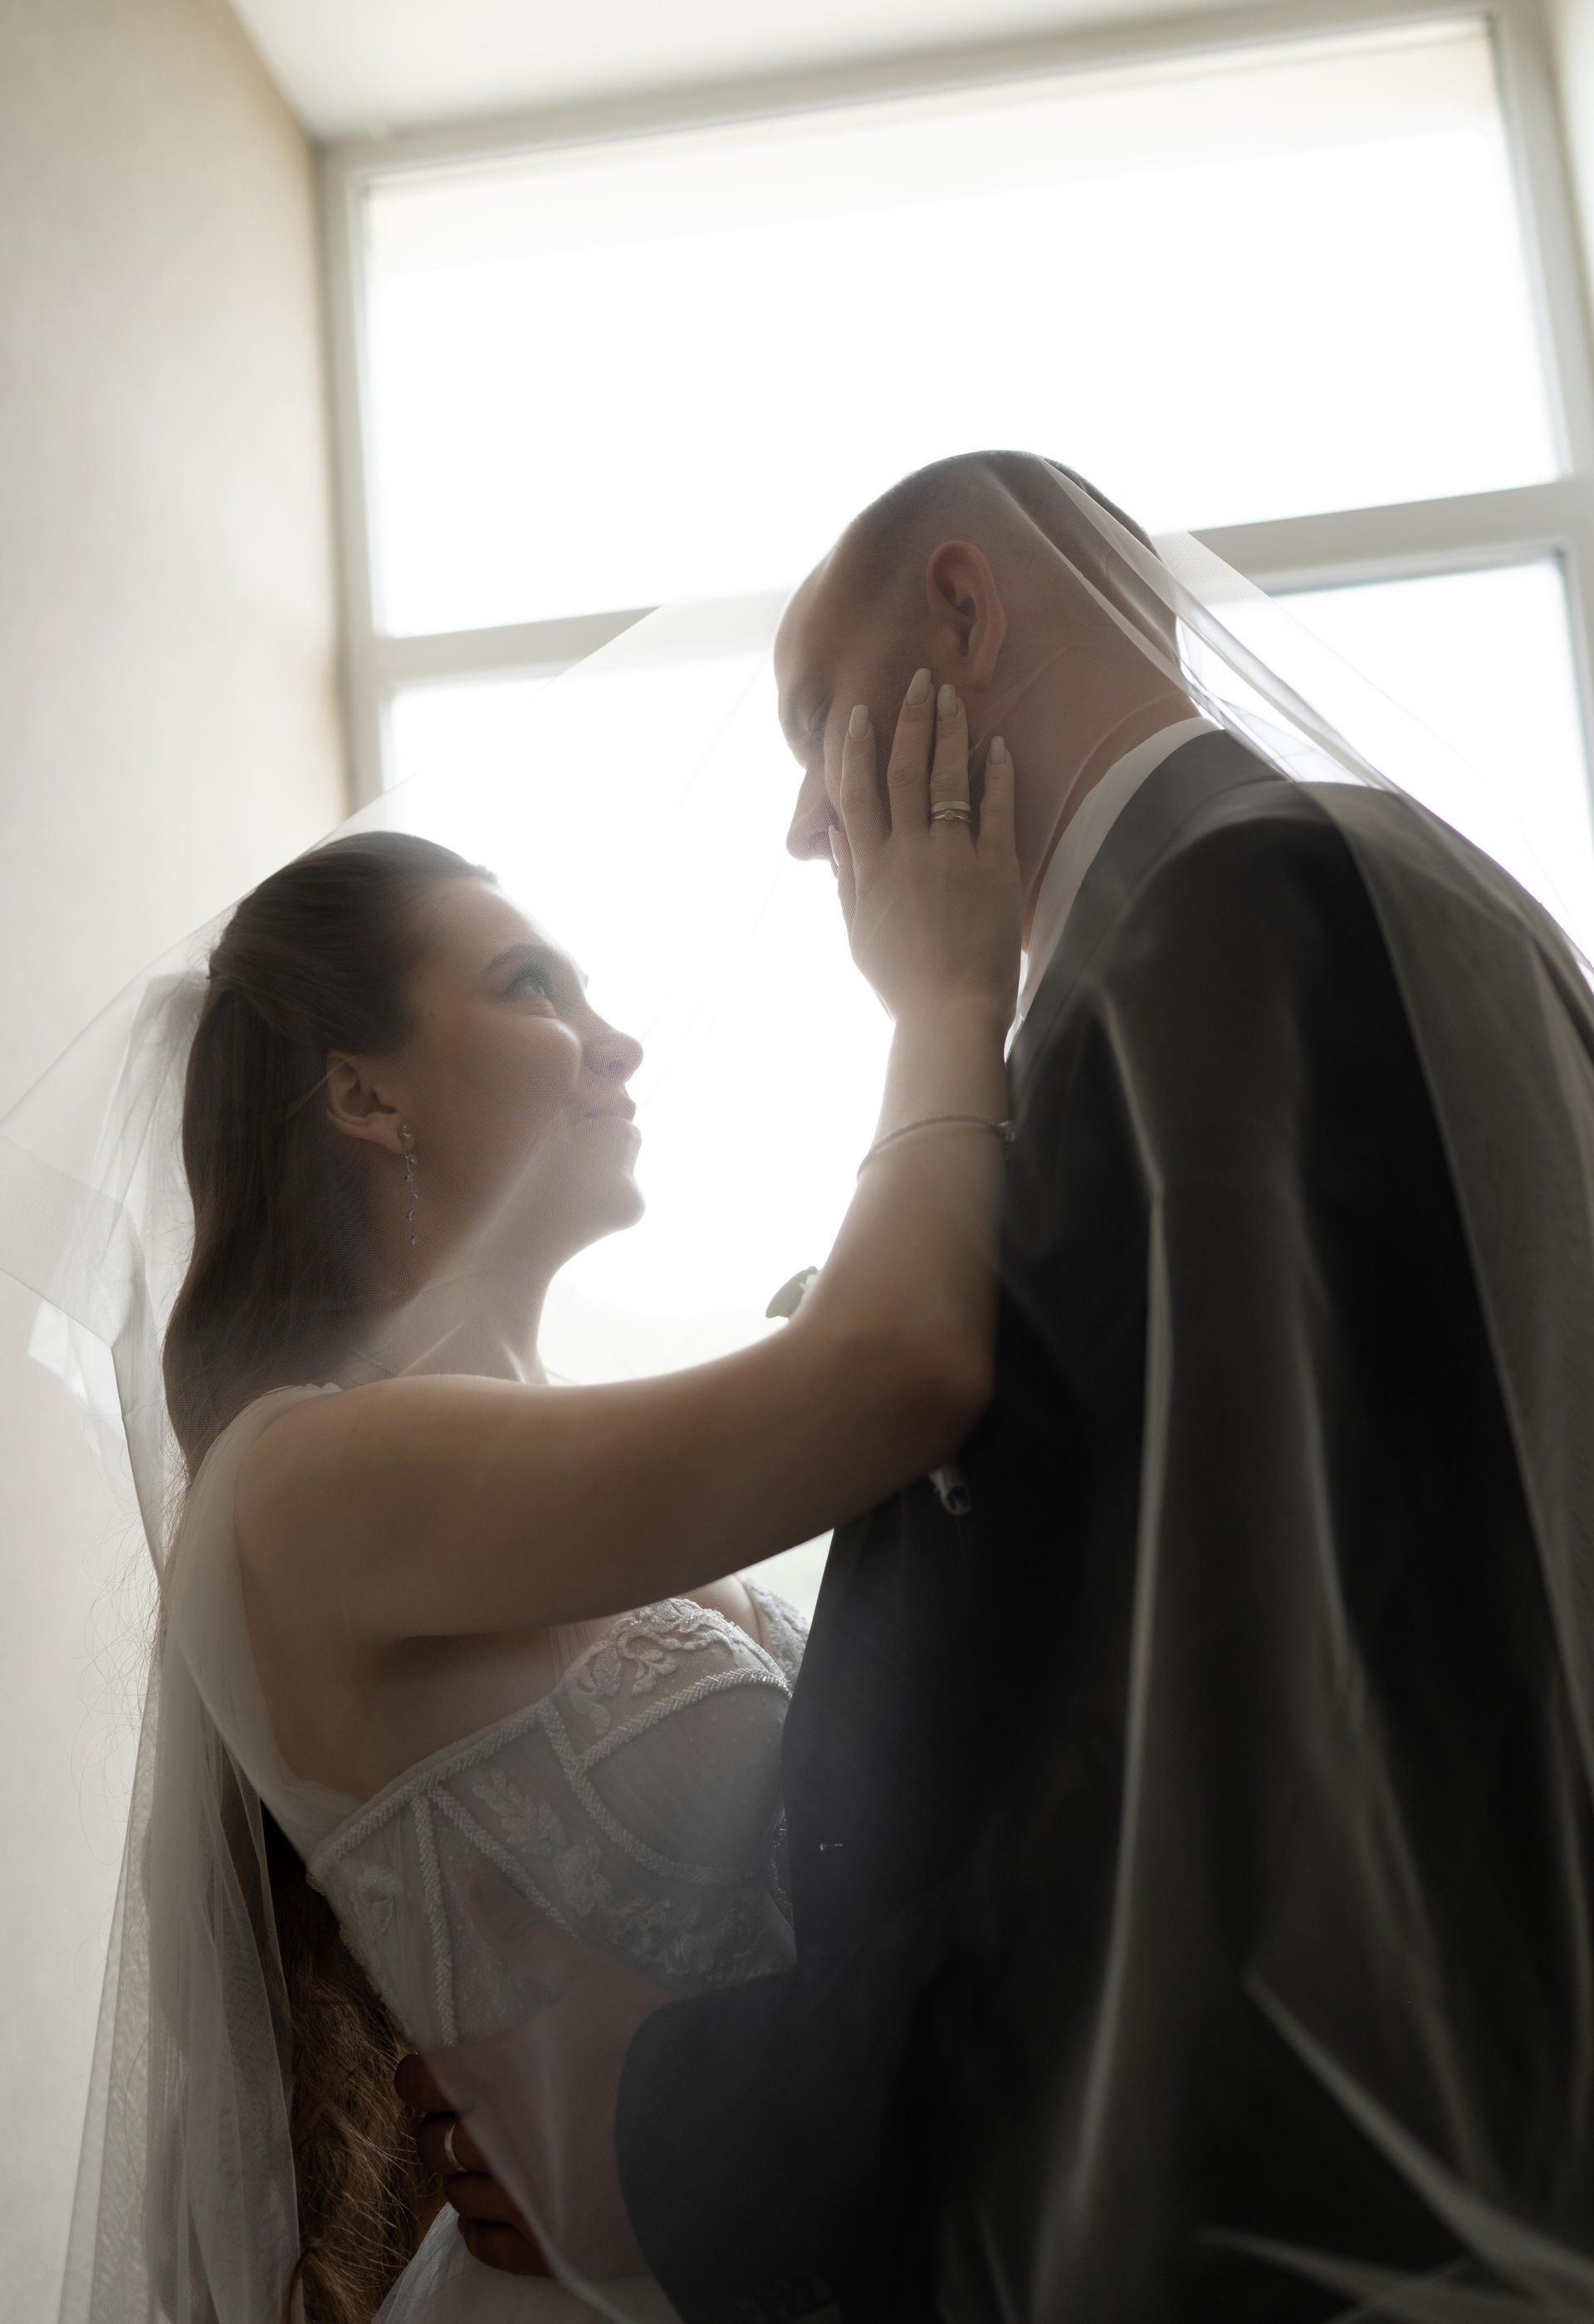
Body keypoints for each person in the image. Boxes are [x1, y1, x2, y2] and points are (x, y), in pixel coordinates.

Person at [411, 452, 1594, 2323]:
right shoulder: (1431, 905)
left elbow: (1229, 1759)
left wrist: (684, 2116)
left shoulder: (1231, 927)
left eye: (814, 722)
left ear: (965, 609)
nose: (804, 823)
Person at [18, 679, 1019, 2324]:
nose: (616, 1040)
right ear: (367, 1095)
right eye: (532, 986)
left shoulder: (539, 1468)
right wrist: (949, 986)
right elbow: (897, 1365)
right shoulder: (305, 1480)